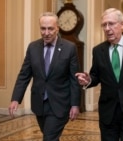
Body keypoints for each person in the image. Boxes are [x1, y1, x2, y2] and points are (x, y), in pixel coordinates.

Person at [75, 8, 123, 141]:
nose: (107, 28)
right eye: (104, 25)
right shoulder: (98, 50)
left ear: (122, 24)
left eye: (111, 24)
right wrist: (88, 80)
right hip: (108, 112)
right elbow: (96, 76)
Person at [8, 12, 81, 141]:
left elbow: (74, 79)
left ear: (57, 28)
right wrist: (15, 99)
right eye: (43, 28)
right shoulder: (33, 47)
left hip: (60, 104)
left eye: (50, 28)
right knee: (49, 134)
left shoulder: (69, 48)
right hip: (39, 104)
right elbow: (24, 75)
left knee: (49, 137)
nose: (46, 33)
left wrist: (75, 104)